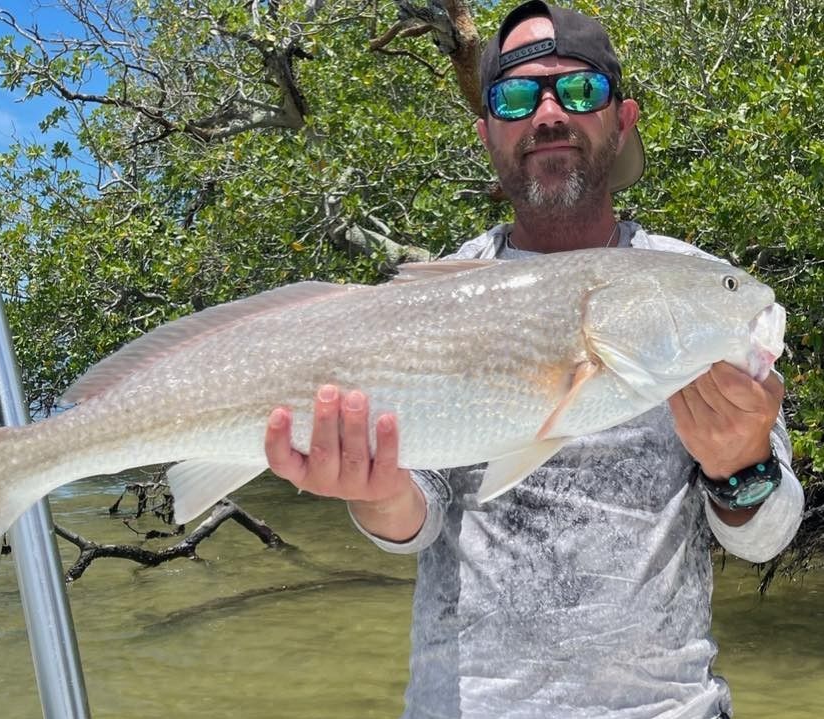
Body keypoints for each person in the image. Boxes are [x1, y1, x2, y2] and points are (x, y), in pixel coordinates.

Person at [264, 2, 805, 717]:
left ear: (623, 117)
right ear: (487, 132)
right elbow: (411, 523)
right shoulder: (440, 293)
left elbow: (768, 536)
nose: (549, 113)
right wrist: (373, 489)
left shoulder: (697, 287)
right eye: (516, 97)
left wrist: (740, 466)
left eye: (579, 91)